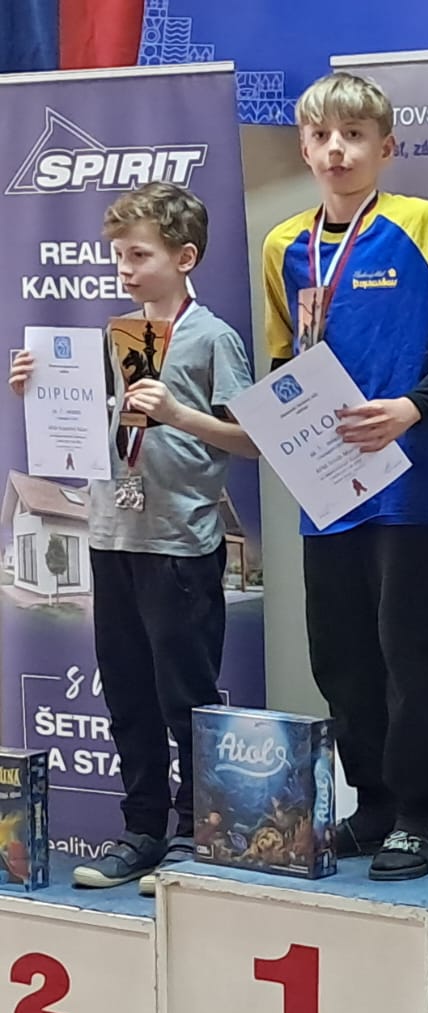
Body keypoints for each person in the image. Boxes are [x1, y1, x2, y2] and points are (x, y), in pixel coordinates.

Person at [262, 71, 428, 880]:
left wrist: (409, 408)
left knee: (407, 652)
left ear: (385, 148)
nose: (337, 150)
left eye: (355, 136)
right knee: (340, 656)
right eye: (322, 136)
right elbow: (287, 359)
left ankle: (416, 816)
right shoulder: (283, 246)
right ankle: (370, 807)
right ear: (304, 148)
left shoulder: (420, 223)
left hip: (409, 482)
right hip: (328, 487)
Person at [9, 182, 257, 892]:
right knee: (127, 696)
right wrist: (37, 391)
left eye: (139, 255)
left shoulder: (213, 338)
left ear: (185, 257)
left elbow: (253, 441)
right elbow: (91, 431)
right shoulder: (116, 337)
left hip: (178, 543)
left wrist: (179, 413)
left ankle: (195, 834)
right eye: (118, 255)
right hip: (110, 536)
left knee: (186, 698)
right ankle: (142, 830)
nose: (124, 268)